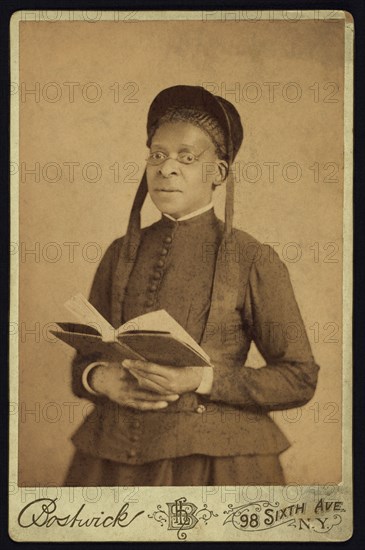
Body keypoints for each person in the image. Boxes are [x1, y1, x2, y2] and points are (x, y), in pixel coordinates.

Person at [65, 85, 320, 486]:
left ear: (217, 173)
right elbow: (83, 358)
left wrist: (201, 379)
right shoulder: (119, 253)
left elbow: (299, 378)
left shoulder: (253, 258)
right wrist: (98, 377)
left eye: (187, 157)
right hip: (111, 461)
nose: (167, 168)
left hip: (216, 465)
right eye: (158, 155)